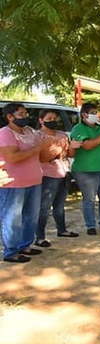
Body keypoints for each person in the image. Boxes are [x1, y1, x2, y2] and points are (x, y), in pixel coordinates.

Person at [0, 103, 44, 263]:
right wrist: (36, 149)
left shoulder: (30, 131)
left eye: (26, 113)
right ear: (10, 117)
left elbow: (42, 152)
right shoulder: (5, 133)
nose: (25, 116)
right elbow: (13, 157)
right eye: (21, 114)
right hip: (13, 183)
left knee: (31, 216)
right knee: (12, 218)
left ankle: (25, 245)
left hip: (34, 180)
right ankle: (11, 252)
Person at [70, 103, 100, 235]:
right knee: (89, 198)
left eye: (96, 112)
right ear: (84, 114)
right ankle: (90, 225)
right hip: (86, 170)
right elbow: (87, 146)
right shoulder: (78, 129)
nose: (95, 115)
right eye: (93, 112)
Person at [36, 110, 82, 247]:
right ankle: (39, 237)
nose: (53, 120)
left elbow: (70, 154)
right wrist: (55, 151)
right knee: (44, 207)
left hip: (64, 172)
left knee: (60, 204)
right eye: (49, 118)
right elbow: (40, 157)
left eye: (55, 118)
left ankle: (62, 230)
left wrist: (74, 147)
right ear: (41, 120)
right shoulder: (38, 136)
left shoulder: (62, 135)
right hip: (47, 175)